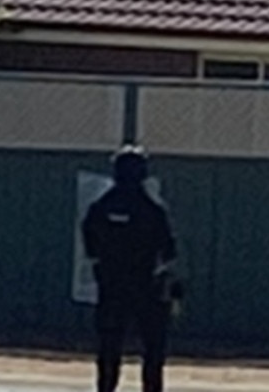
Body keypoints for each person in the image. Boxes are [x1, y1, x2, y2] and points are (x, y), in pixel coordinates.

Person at [82, 145, 179, 392]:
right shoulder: (152, 210)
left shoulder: (101, 208)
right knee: (153, 349)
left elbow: (90, 242)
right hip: (146, 287)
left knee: (109, 347)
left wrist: (102, 263)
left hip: (112, 287)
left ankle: (105, 388)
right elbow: (169, 250)